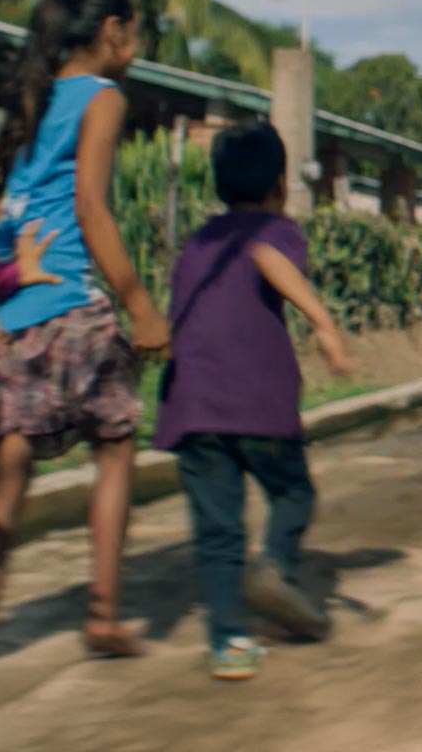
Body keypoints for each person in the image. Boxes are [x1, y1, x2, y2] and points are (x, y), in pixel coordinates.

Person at [0, 0, 167, 656]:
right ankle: (101, 614)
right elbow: (92, 209)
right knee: (116, 446)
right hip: (72, 301)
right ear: (113, 32)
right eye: (138, 28)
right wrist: (140, 305)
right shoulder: (101, 97)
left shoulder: (30, 101)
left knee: (9, 463)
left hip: (13, 312)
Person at [154, 122, 355, 680]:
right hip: (257, 403)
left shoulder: (199, 241)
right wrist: (324, 323)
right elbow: (267, 257)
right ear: (280, 182)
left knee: (217, 530)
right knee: (292, 494)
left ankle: (229, 642)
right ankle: (275, 571)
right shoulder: (275, 229)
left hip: (193, 405)